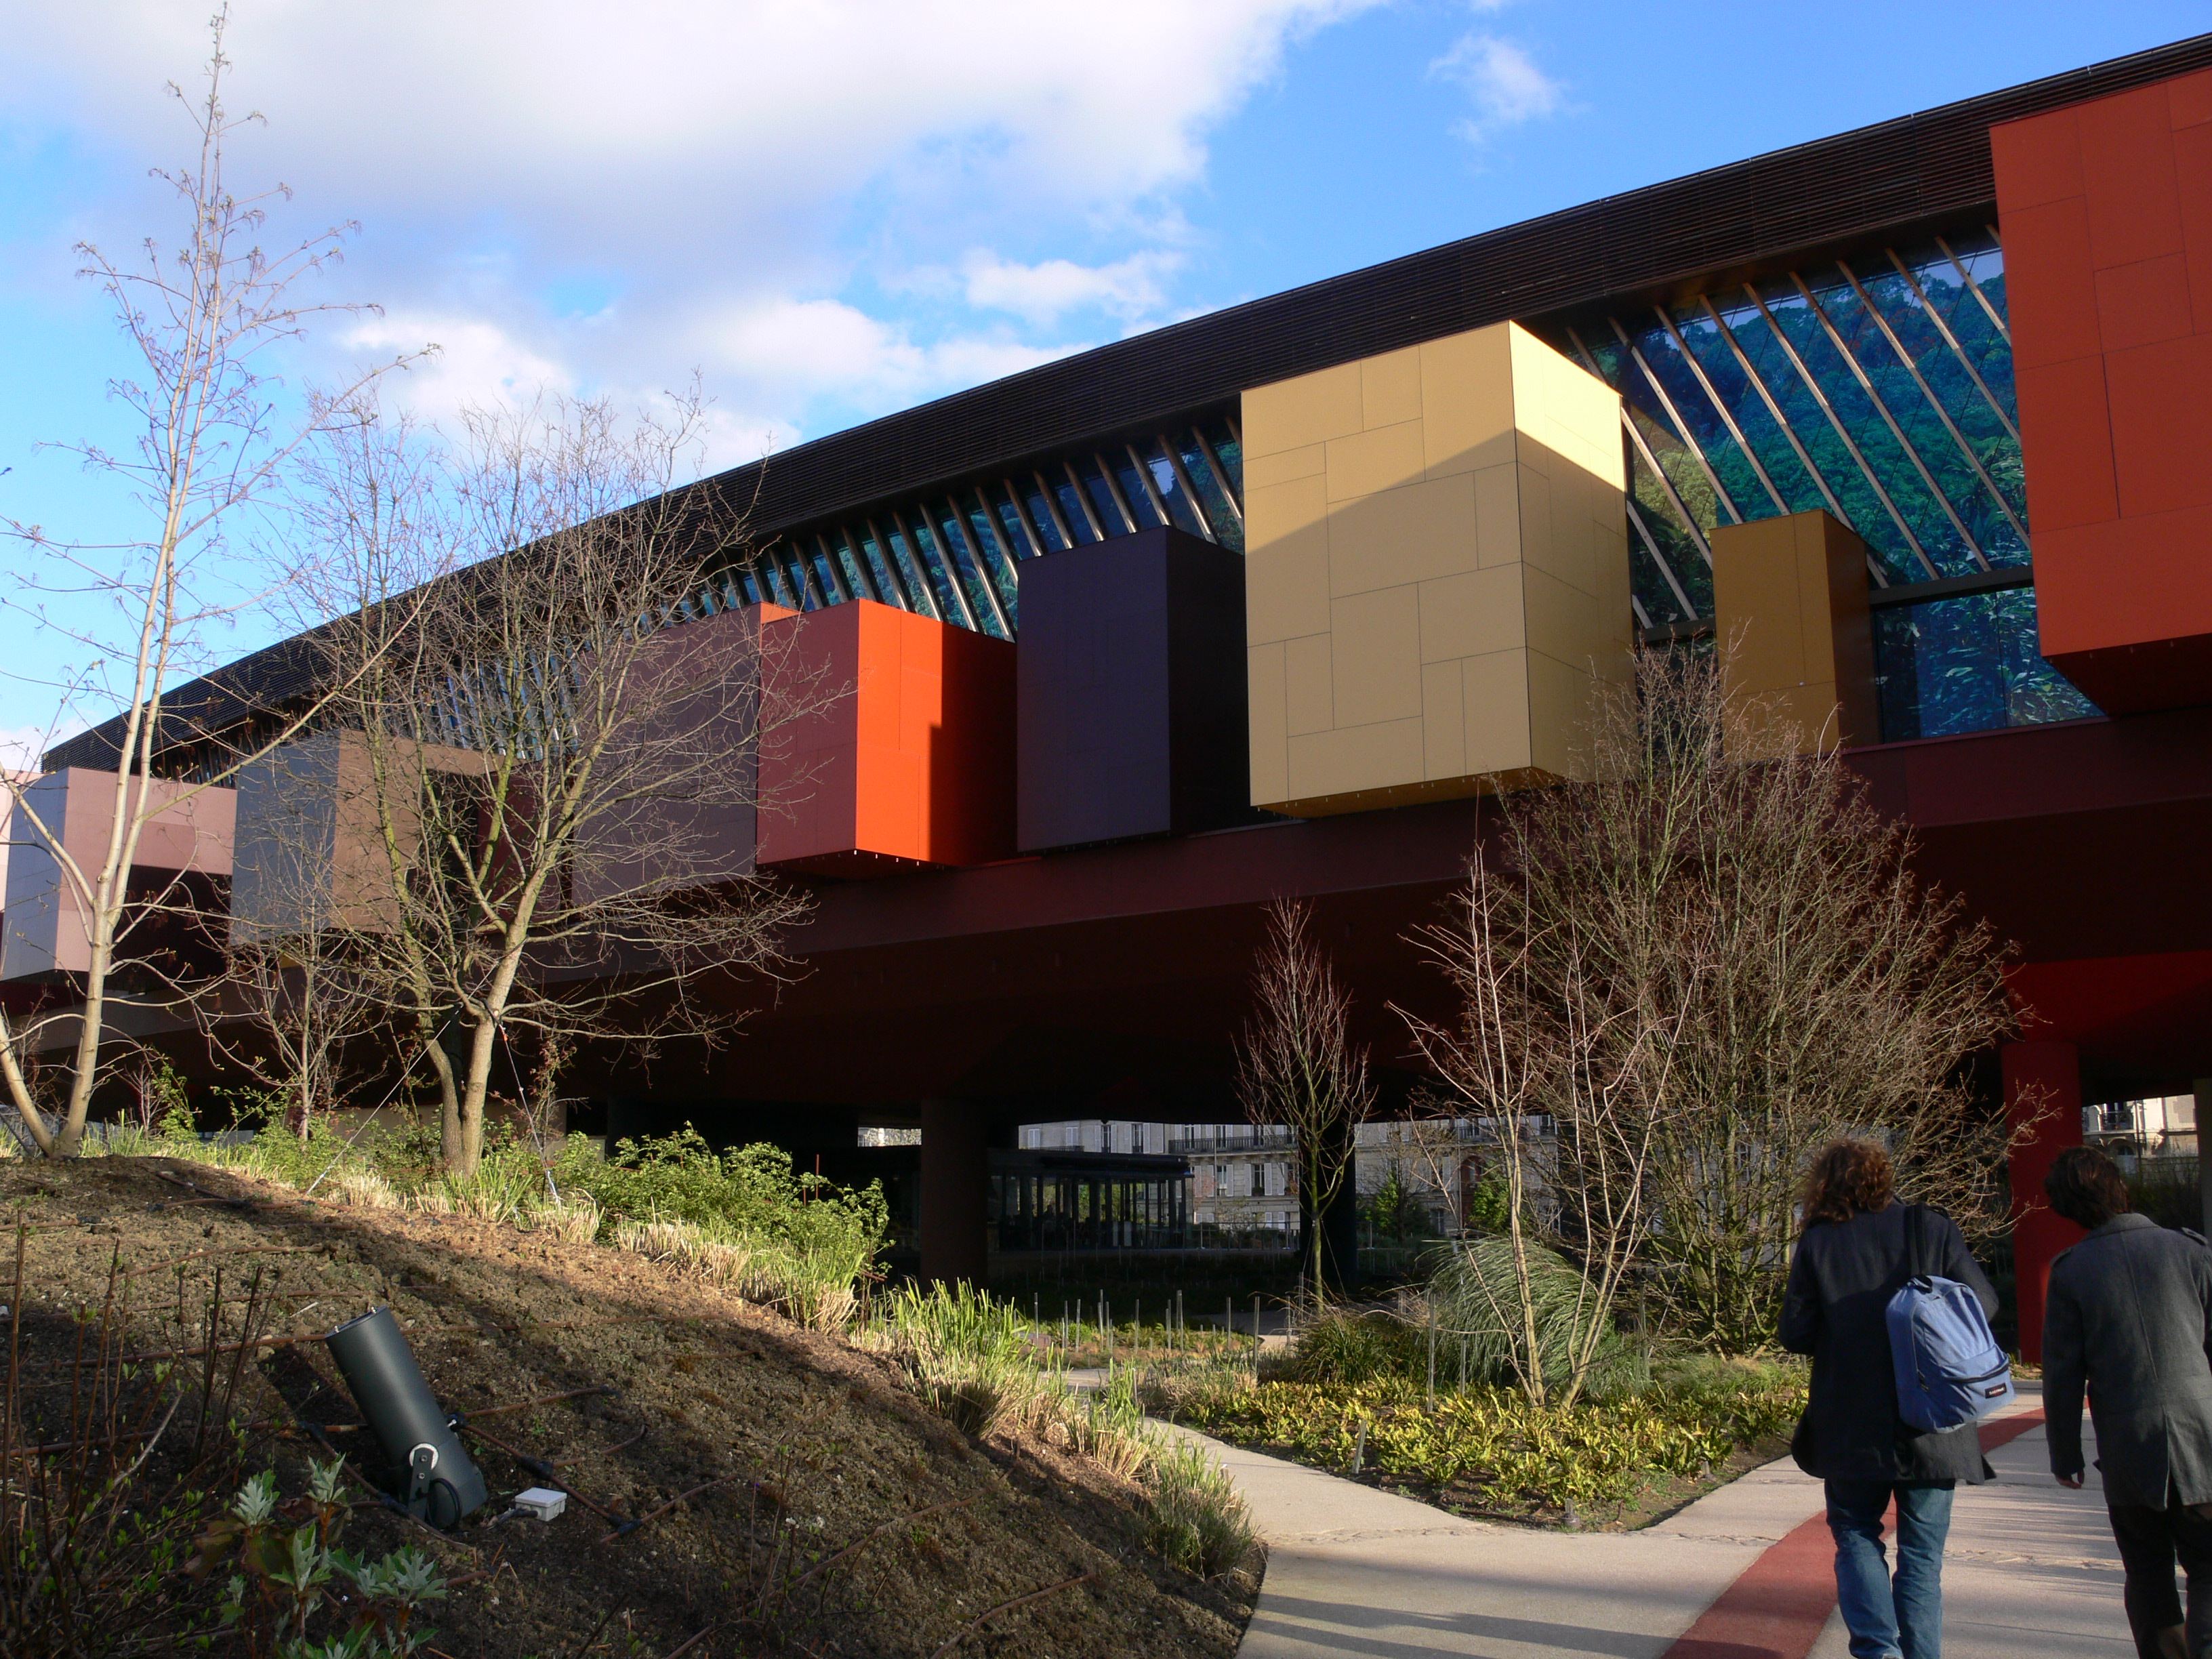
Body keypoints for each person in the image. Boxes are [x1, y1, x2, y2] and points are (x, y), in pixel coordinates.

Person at [1780, 1138, 1996, 1659]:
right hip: (1933, 1419)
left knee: (1855, 1532)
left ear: (1826, 1184)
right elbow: (1984, 1304)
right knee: (1923, 1555)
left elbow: (1795, 1333)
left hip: (1850, 1419)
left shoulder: (1819, 1243)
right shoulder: (1932, 1229)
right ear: (1886, 1178)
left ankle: (1879, 1652)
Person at [2043, 1143, 2212, 1659]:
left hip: (2127, 1443)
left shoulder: (2071, 1272)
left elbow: (2063, 1375)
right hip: (2201, 1435)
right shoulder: (2190, 1252)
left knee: (2147, 1571)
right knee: (2208, 1565)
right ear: (2120, 1187)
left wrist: (2065, 1454)